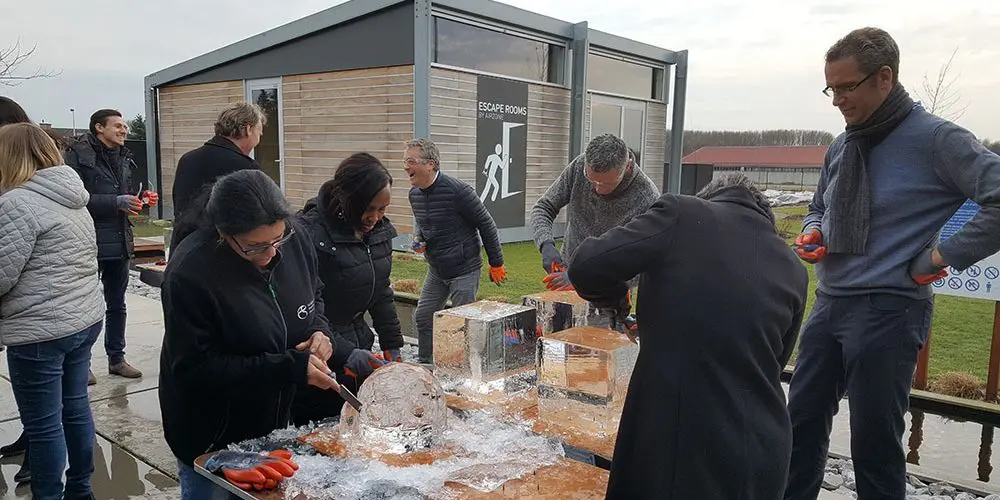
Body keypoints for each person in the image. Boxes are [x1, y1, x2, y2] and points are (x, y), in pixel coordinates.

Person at [784, 27, 1000, 500]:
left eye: (847, 87)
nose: (837, 100)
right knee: (799, 425)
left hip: (890, 309)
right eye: (830, 89)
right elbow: (819, 206)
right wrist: (814, 230)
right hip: (830, 303)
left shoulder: (937, 139)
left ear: (885, 77)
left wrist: (943, 255)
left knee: (875, 444)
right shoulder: (843, 144)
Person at [567, 173, 808, 500]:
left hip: (685, 452)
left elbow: (585, 265)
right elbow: (774, 364)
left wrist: (617, 302)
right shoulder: (794, 267)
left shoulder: (684, 214)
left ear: (709, 197)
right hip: (766, 453)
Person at [158, 169, 386, 499]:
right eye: (255, 247)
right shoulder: (190, 273)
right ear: (223, 233)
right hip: (212, 433)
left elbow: (314, 296)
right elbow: (195, 369)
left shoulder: (295, 238)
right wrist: (290, 368)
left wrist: (321, 332)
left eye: (277, 239)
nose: (272, 254)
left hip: (269, 425)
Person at [0, 123, 106, 500]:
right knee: (75, 409)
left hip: (40, 330)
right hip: (81, 319)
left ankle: (47, 495)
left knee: (44, 426)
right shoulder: (72, 196)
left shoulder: (16, 203)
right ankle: (81, 490)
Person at [291, 152, 406, 424]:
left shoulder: (379, 233)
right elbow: (305, 308)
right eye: (369, 209)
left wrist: (392, 345)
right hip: (320, 358)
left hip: (360, 346)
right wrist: (345, 354)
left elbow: (381, 293)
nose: (375, 218)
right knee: (326, 431)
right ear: (348, 200)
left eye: (383, 209)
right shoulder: (311, 234)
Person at [0, 95, 74, 485]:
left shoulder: (19, 199)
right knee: (61, 407)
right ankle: (72, 481)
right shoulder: (64, 189)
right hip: (65, 315)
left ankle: (45, 479)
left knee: (45, 415)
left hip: (36, 318)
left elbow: (4, 271)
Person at [64, 109, 159, 381]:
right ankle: (81, 364)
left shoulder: (124, 157)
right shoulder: (76, 156)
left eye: (125, 126)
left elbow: (122, 195)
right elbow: (74, 199)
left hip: (119, 241)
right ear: (99, 128)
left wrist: (139, 199)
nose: (124, 130)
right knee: (83, 307)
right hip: (87, 241)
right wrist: (116, 202)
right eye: (117, 126)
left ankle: (117, 359)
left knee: (117, 305)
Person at [404, 138, 508, 364]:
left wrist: (496, 262)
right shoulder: (414, 194)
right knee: (424, 316)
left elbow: (486, 224)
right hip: (437, 270)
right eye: (405, 161)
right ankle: (426, 364)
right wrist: (419, 238)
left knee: (463, 322)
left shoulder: (459, 191)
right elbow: (422, 223)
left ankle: (467, 368)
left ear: (430, 164)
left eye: (411, 161)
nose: (406, 167)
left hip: (464, 269)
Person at [529, 133, 659, 291]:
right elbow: (543, 208)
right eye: (591, 179)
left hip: (610, 288)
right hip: (566, 274)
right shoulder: (578, 166)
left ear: (628, 167)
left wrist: (584, 279)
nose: (597, 189)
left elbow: (647, 261)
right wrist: (546, 245)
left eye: (606, 184)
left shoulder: (647, 198)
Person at [169, 102, 264, 250]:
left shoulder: (187, 159)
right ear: (248, 129)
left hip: (183, 247)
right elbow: (254, 219)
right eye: (259, 131)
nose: (260, 136)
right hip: (219, 252)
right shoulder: (245, 168)